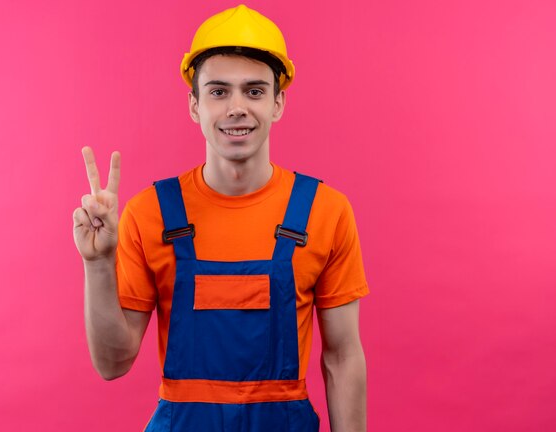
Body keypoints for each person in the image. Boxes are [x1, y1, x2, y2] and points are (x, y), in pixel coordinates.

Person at [73, 5, 369, 431]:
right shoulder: (150, 213)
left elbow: (342, 357)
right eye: (217, 91)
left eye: (253, 91)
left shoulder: (325, 211)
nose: (236, 108)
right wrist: (98, 264)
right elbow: (112, 363)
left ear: (278, 102)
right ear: (194, 105)